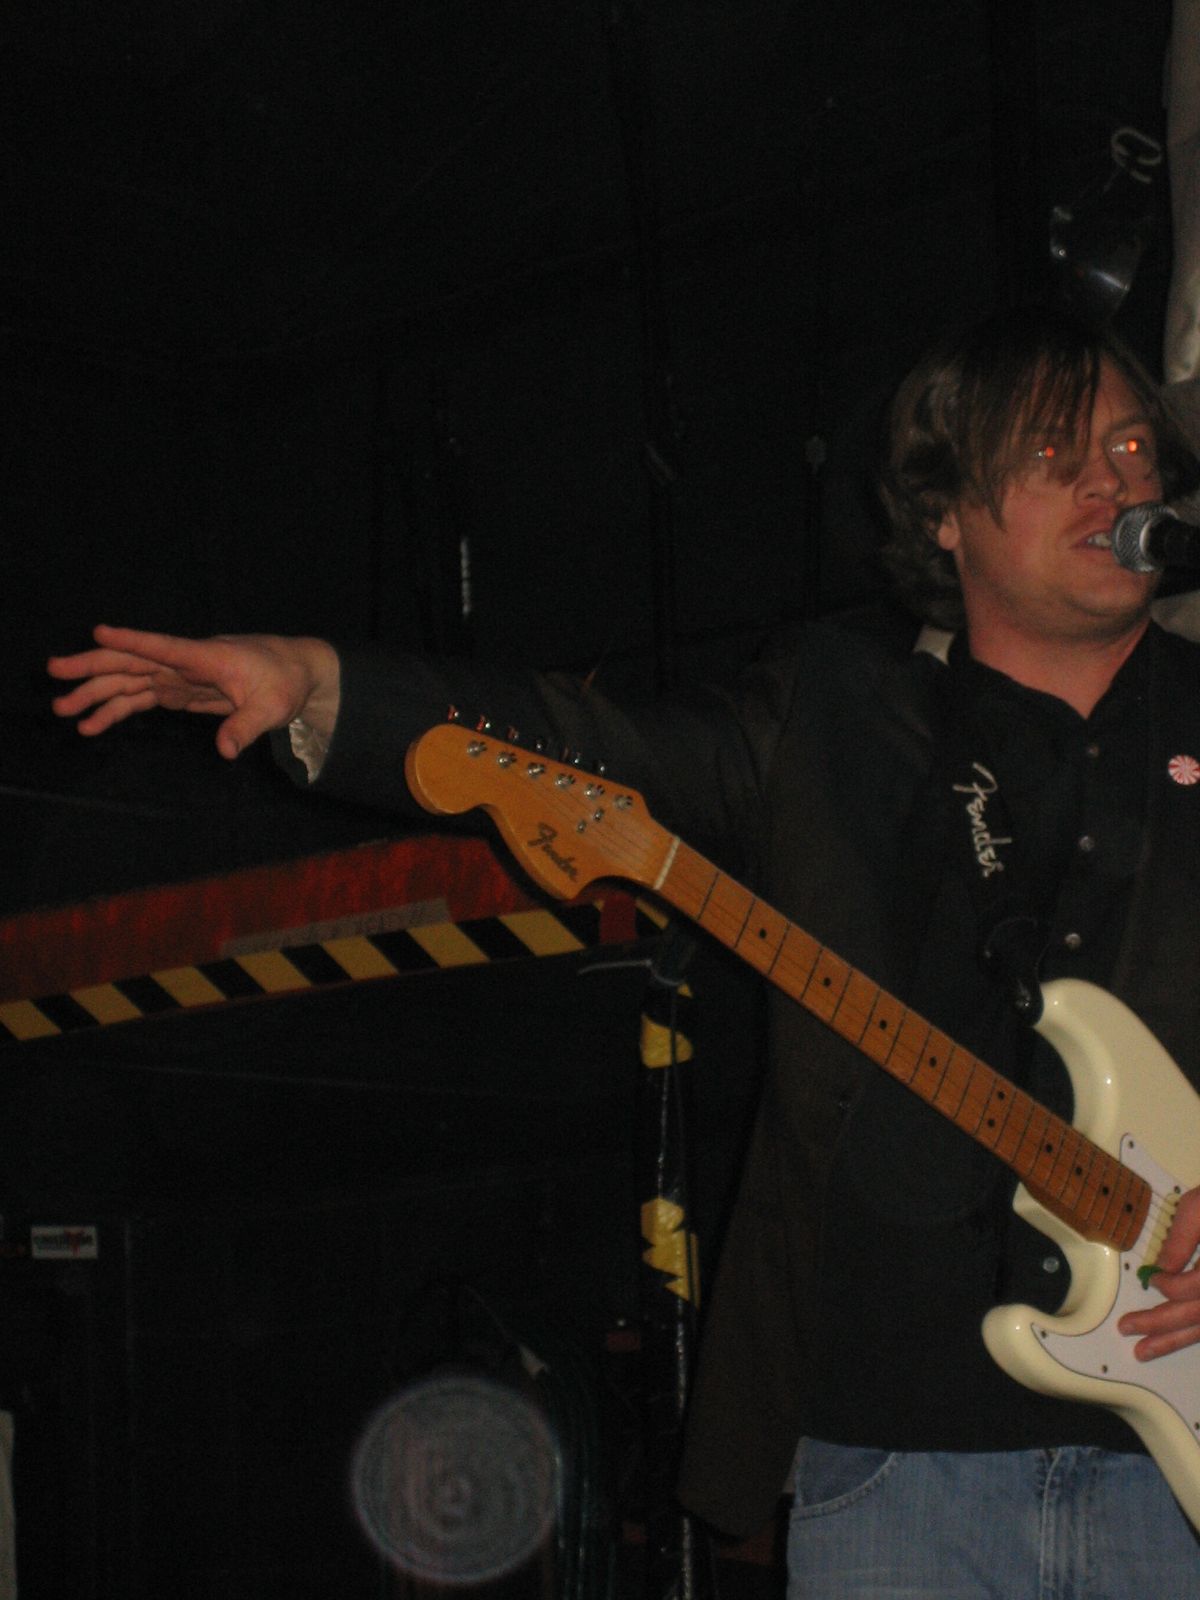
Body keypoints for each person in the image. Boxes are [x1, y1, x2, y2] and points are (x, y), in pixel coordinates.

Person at [47, 306, 1200, 1597]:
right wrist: (321, 682)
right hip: (895, 1467)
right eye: (1054, 452)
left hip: (1175, 1480)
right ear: (947, 513)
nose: (1113, 482)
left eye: (1132, 446)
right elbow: (582, 741)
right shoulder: (837, 718)